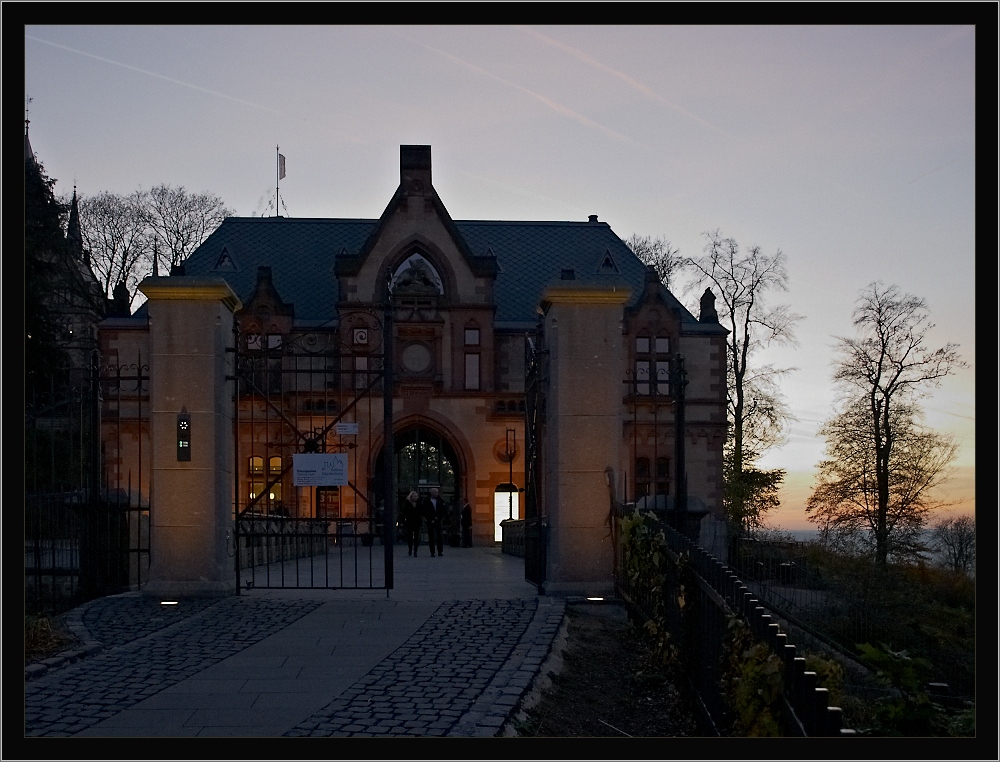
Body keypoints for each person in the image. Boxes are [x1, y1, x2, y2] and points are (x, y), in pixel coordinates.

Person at [420, 487, 447, 557]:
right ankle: (432, 552)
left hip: (438, 521)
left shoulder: (440, 500)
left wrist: (438, 518)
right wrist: (429, 518)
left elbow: (443, 510)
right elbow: (424, 511)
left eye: (437, 492)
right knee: (431, 536)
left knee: (439, 536)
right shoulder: (426, 500)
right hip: (430, 521)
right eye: (435, 492)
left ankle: (440, 551)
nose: (437, 493)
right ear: (431, 493)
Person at [400, 490, 422, 556]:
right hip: (410, 522)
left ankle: (415, 551)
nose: (415, 497)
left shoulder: (419, 503)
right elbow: (403, 513)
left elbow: (421, 511)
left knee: (417, 536)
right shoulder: (407, 503)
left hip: (417, 522)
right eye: (414, 496)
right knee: (409, 536)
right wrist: (402, 521)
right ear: (411, 496)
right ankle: (410, 549)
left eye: (416, 496)